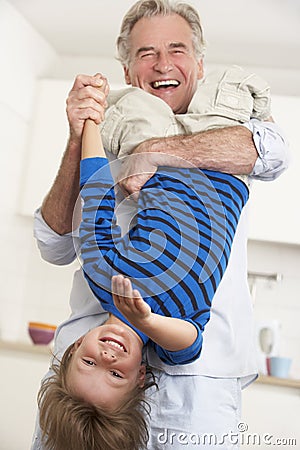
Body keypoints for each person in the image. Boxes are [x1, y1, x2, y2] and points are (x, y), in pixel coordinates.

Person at [32, 1, 289, 449]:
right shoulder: (108, 128)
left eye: (178, 49)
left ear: (200, 64)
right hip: (85, 392)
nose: (163, 64)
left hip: (200, 383)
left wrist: (153, 151)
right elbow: (54, 246)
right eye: (146, 53)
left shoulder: (233, 126)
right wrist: (80, 133)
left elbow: (272, 152)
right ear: (128, 72)